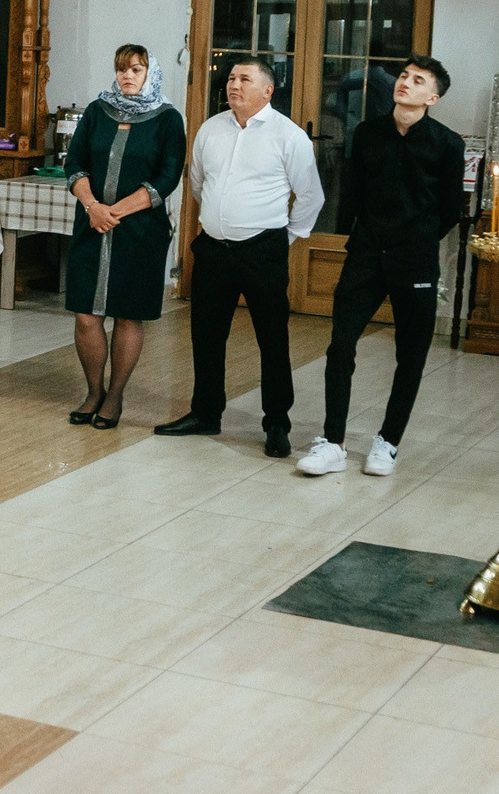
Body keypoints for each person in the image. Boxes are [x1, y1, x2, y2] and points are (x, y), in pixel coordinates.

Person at [301, 57, 465, 479]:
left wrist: (417, 237)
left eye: (418, 81)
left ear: (434, 97)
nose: (404, 84)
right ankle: (333, 441)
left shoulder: (447, 144)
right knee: (340, 344)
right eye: (404, 76)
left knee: (410, 355)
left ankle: (388, 441)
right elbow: (352, 192)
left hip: (415, 258)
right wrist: (353, 237)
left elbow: (450, 209)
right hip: (367, 253)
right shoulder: (367, 133)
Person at [156, 60, 323, 457]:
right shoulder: (211, 129)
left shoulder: (289, 136)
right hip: (214, 248)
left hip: (262, 250)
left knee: (272, 338)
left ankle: (277, 423)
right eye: (231, 78)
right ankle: (206, 412)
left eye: (245, 79)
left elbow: (311, 196)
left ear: (268, 90)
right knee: (207, 335)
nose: (234, 84)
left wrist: (286, 239)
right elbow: (197, 182)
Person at [61, 44, 185, 430]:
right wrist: (93, 206)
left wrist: (117, 211)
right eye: (121, 69)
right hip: (92, 223)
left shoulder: (167, 118)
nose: (127, 76)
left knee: (128, 314)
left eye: (136, 69)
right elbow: (74, 161)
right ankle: (93, 390)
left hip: (140, 231)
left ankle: (114, 396)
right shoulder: (98, 112)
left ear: (151, 73)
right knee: (86, 314)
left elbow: (168, 176)